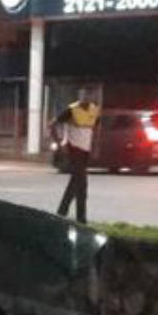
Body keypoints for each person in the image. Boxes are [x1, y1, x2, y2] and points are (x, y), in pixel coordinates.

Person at [52, 88, 100, 224]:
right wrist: (60, 143)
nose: (86, 98)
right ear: (79, 96)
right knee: (82, 185)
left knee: (75, 183)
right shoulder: (71, 110)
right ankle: (81, 219)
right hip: (74, 149)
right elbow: (53, 124)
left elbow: (94, 130)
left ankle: (61, 213)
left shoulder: (94, 110)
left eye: (89, 95)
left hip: (86, 151)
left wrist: (95, 147)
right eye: (83, 95)